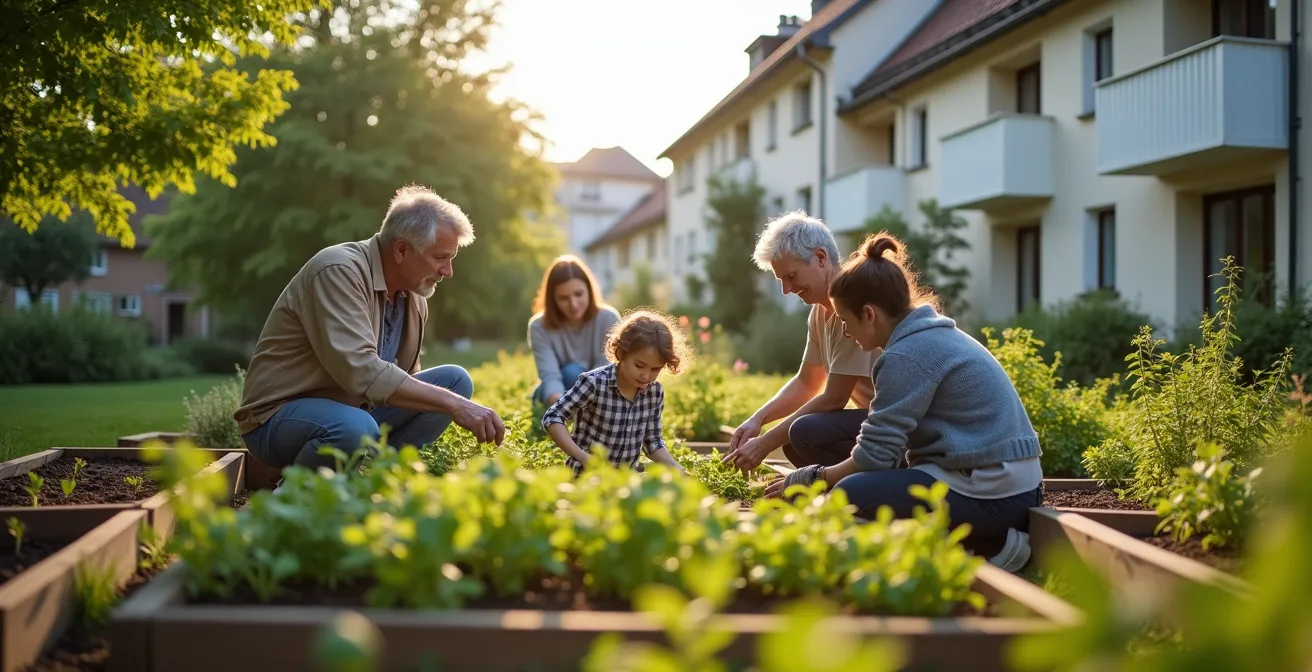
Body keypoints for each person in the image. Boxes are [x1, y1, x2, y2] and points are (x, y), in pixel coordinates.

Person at [766, 233, 1044, 571]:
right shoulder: (922, 337)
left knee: (851, 494)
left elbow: (874, 457)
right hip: (991, 481)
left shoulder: (906, 356)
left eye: (844, 319)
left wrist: (810, 479)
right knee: (853, 486)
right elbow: (882, 448)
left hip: (995, 498)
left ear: (869, 314)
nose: (844, 330)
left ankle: (993, 545)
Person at [234, 185, 506, 477]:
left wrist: (455, 400)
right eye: (440, 257)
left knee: (455, 381)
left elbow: (405, 380)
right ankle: (294, 499)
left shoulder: (415, 297)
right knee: (357, 427)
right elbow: (360, 371)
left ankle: (377, 481)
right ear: (401, 249)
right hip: (277, 420)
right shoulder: (338, 270)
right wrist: (456, 407)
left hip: (355, 414)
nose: (448, 271)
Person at [723, 211, 878, 472]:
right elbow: (807, 381)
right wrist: (757, 420)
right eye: (781, 280)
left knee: (804, 431)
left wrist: (764, 444)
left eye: (791, 276)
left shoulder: (854, 302)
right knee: (795, 440)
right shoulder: (819, 311)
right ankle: (837, 482)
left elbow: (834, 398)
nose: (786, 289)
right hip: (875, 418)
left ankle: (874, 477)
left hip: (901, 424)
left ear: (820, 258)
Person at [542, 310, 689, 477]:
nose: (646, 375)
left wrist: (679, 470)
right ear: (621, 353)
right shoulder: (594, 382)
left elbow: (652, 442)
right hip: (586, 478)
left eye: (655, 369)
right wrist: (583, 457)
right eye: (639, 365)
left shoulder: (654, 392)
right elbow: (553, 417)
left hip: (625, 484)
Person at [528, 256, 621, 407]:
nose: (573, 304)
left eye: (578, 294)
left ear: (589, 291)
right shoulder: (539, 326)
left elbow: (607, 370)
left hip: (600, 391)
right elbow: (550, 376)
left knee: (578, 374)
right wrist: (561, 410)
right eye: (563, 298)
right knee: (572, 373)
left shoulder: (609, 318)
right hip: (559, 391)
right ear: (553, 300)